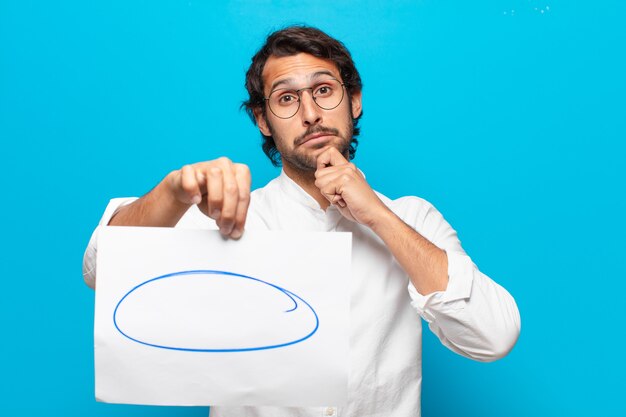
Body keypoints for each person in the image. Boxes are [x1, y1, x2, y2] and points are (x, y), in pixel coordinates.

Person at [83, 25, 520, 417]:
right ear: (263, 120)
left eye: (324, 90)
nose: (310, 113)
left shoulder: (412, 217)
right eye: (286, 98)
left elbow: (493, 336)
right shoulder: (227, 218)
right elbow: (103, 269)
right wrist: (173, 192)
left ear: (354, 100)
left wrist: (377, 216)